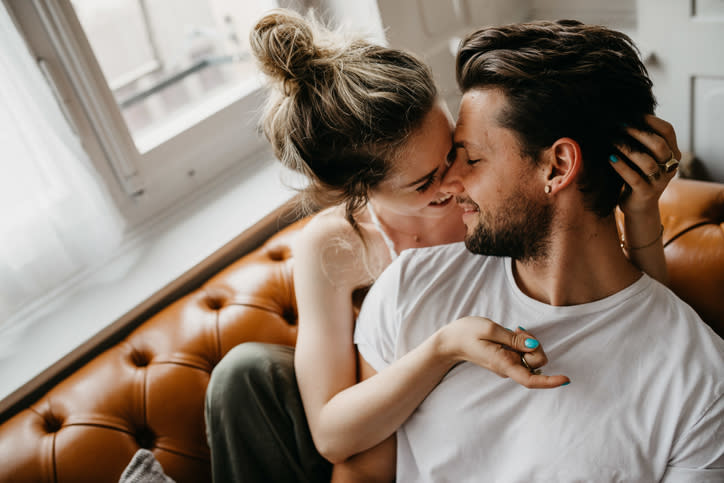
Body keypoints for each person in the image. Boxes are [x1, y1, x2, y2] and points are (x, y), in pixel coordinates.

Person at [204, 10, 681, 482]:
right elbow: (334, 435)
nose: (455, 183)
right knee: (246, 375)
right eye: (426, 182)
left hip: (453, 417)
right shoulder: (335, 248)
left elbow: (630, 312)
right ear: (359, 193)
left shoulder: (497, 207)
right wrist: (441, 349)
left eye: (458, 152)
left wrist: (640, 212)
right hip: (373, 411)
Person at [353, 19, 724, 482]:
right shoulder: (411, 287)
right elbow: (359, 469)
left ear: (558, 166)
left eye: (470, 158)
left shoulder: (702, 387)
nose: (450, 183)